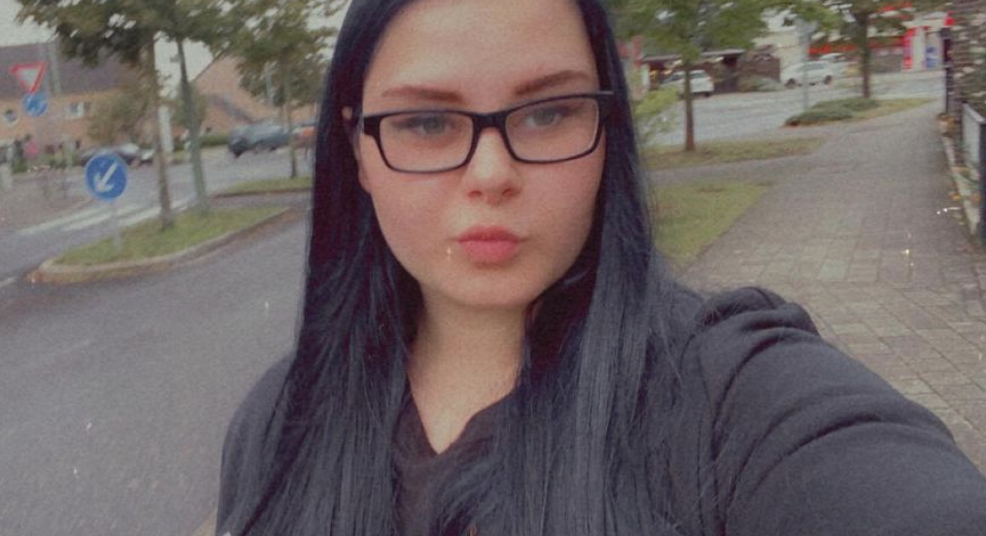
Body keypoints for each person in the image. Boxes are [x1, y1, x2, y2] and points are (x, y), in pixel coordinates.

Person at [215, 0, 986, 535]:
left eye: (548, 112)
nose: (491, 174)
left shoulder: (726, 397)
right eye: (424, 122)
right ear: (357, 150)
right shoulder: (279, 422)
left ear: (607, 126)